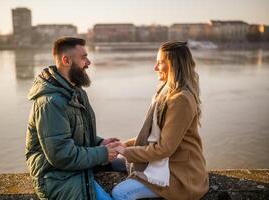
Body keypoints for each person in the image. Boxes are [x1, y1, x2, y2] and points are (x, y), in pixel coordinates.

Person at [112, 41, 209, 200]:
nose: (155, 68)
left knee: (120, 193)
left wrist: (126, 152)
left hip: (179, 174)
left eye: (160, 63)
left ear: (174, 65)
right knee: (109, 163)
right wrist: (123, 145)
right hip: (165, 164)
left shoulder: (180, 100)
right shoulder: (165, 93)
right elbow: (152, 137)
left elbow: (164, 149)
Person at [25, 37, 119, 200]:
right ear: (66, 60)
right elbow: (62, 155)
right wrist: (102, 154)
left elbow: (74, 133)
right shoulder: (50, 103)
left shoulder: (74, 92)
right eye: (83, 57)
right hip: (57, 178)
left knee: (127, 167)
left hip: (73, 170)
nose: (89, 62)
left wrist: (98, 143)